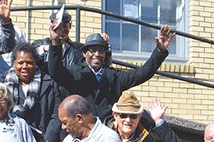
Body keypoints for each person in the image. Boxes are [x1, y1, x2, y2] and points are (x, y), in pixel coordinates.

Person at [47, 24, 175, 120]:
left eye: (101, 51)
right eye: (92, 50)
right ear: (84, 53)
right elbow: (55, 71)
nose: (97, 54)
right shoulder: (75, 73)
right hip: (79, 135)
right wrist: (55, 42)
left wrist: (160, 52)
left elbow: (142, 73)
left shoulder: (114, 77)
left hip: (106, 136)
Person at [31, 10, 84, 74]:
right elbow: (30, 57)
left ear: (69, 26)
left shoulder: (78, 49)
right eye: (58, 27)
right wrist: (44, 49)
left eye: (64, 26)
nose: (61, 30)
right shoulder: (39, 44)